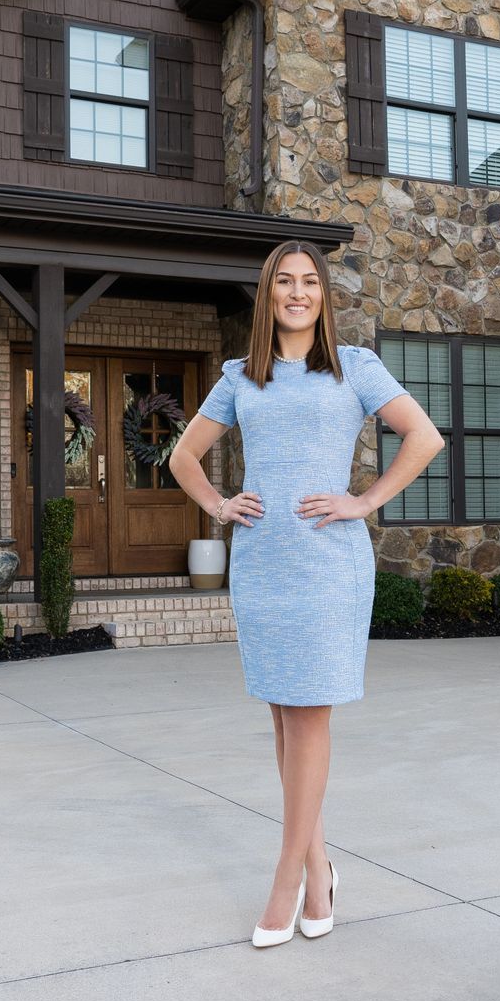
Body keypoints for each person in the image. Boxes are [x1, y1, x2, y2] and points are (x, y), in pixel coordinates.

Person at [168, 239, 445, 948]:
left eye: (309, 282)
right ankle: (321, 868)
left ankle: (286, 878)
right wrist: (221, 505)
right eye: (284, 282)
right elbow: (183, 457)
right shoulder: (240, 376)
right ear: (268, 296)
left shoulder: (355, 367)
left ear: (324, 294)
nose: (297, 292)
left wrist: (366, 499)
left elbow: (424, 437)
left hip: (328, 564)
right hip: (262, 563)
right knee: (283, 719)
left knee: (311, 716)